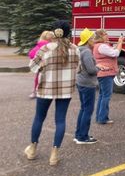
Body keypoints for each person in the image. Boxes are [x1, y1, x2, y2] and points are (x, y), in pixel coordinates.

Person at [25, 20, 80, 166]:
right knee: (60, 120)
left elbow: (33, 67)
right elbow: (78, 68)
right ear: (68, 32)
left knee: (39, 118)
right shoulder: (75, 49)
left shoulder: (45, 49)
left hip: (46, 89)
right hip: (66, 90)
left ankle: (32, 149)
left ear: (54, 32)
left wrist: (44, 66)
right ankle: (54, 154)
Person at [74, 28, 108, 144]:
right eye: (92, 38)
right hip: (87, 84)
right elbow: (91, 70)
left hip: (80, 82)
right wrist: (99, 67)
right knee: (88, 110)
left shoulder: (80, 49)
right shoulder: (87, 52)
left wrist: (96, 65)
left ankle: (78, 134)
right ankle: (83, 137)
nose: (94, 40)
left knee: (83, 109)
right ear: (88, 40)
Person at [93, 29, 123, 124]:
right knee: (106, 96)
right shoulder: (101, 46)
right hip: (105, 74)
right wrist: (120, 42)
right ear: (101, 36)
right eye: (105, 34)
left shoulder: (101, 46)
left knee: (102, 95)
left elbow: (112, 51)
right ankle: (102, 118)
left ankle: (100, 116)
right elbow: (116, 53)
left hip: (104, 74)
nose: (107, 36)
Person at [28, 31, 54, 98]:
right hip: (48, 64)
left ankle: (35, 91)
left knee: (38, 77)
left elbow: (31, 54)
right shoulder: (51, 45)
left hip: (39, 64)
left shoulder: (39, 44)